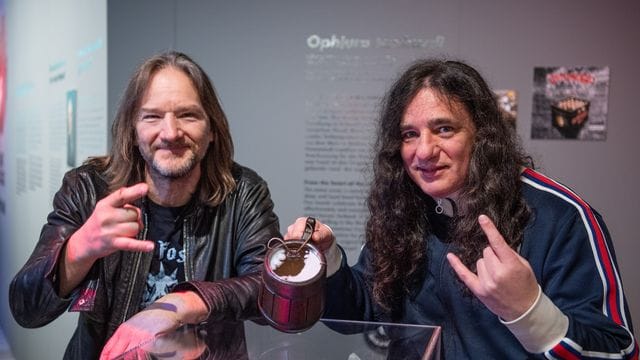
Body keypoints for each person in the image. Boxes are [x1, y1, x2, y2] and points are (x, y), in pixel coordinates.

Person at [286, 59, 638, 358]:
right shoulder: (405, 207)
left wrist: (530, 312)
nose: (423, 151)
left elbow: (618, 350)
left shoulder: (559, 218)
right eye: (409, 134)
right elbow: (361, 309)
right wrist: (326, 261)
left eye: (444, 129)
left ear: (481, 134)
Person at [9, 51, 280, 359]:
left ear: (213, 130)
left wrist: (180, 305)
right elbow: (26, 309)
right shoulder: (89, 188)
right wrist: (80, 247)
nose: (170, 132)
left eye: (188, 115)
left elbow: (269, 290)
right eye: (152, 116)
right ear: (133, 130)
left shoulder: (243, 192)